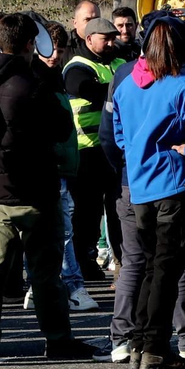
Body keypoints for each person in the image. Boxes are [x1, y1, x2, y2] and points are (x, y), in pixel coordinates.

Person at [0, 14, 99, 361]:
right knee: (46, 272)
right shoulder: (33, 84)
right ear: (31, 44)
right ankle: (58, 338)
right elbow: (61, 129)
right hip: (35, 190)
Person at [109, 19, 185, 369]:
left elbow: (118, 132)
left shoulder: (127, 86)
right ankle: (156, 347)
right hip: (172, 184)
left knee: (145, 266)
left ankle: (141, 343)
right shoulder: (183, 86)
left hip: (139, 187)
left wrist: (136, 154)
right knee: (167, 270)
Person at [62, 16, 127, 284]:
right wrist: (119, 90)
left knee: (118, 210)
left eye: (113, 38)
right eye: (106, 39)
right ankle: (83, 261)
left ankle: (122, 264)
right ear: (89, 39)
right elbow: (90, 90)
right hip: (87, 151)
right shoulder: (77, 67)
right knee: (87, 214)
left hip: (115, 149)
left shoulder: (121, 63)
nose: (112, 43)